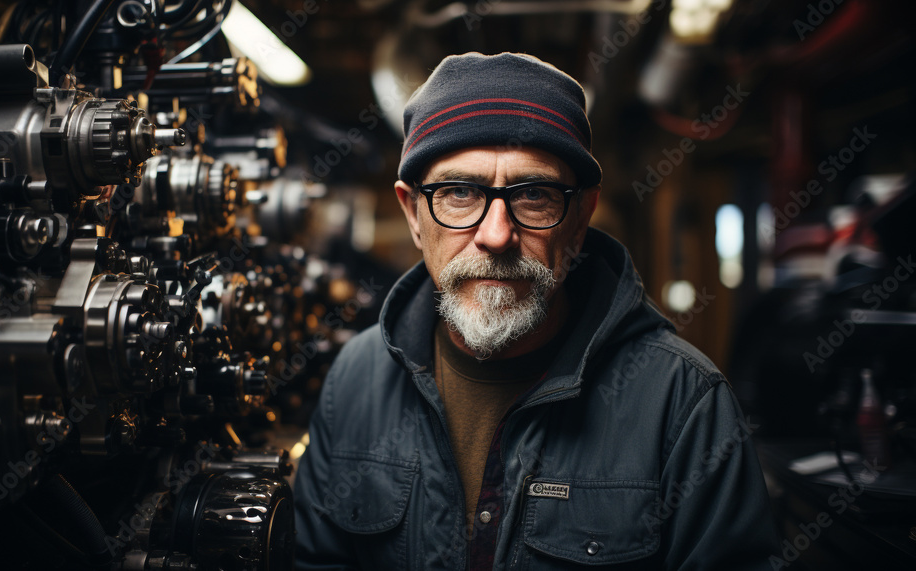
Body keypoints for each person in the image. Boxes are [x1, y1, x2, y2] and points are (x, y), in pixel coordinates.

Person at [294, 52, 777, 570]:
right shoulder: (354, 381)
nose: (496, 235)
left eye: (534, 195)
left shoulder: (683, 406)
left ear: (581, 215)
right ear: (413, 213)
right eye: (458, 193)